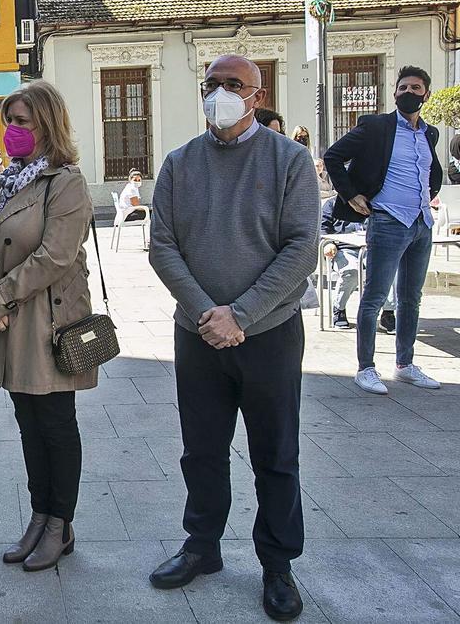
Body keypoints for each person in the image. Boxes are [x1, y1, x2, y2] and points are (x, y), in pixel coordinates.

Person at [147, 54, 318, 621]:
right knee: (201, 450)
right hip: (197, 336)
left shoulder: (289, 160)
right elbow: (162, 246)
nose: (221, 93)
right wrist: (206, 313)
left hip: (267, 333)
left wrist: (240, 313)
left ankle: (277, 564)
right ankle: (202, 547)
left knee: (275, 454)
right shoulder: (179, 164)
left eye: (233, 85)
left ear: (256, 93)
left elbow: (300, 248)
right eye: (212, 84)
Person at [0, 81, 94, 572]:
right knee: (27, 423)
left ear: (48, 125)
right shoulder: (5, 181)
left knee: (56, 425)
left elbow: (55, 256)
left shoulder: (66, 182)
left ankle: (60, 524)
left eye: (23, 122)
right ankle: (39, 515)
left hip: (47, 321)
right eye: (9, 121)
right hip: (5, 321)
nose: (13, 130)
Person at [324, 65, 444, 395]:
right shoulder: (376, 127)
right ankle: (366, 368)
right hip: (388, 221)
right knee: (375, 296)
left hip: (421, 223)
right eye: (402, 87)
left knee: (411, 298)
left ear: (426, 95)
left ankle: (405, 364)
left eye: (415, 88)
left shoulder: (428, 133)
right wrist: (350, 194)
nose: (408, 93)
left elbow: (431, 169)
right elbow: (333, 156)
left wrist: (431, 193)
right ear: (394, 94)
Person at [320, 197, 396, 330]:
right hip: (343, 248)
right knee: (351, 270)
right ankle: (339, 308)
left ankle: (388, 313)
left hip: (371, 247)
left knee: (388, 268)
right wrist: (329, 244)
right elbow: (321, 228)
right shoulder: (332, 204)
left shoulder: (373, 202)